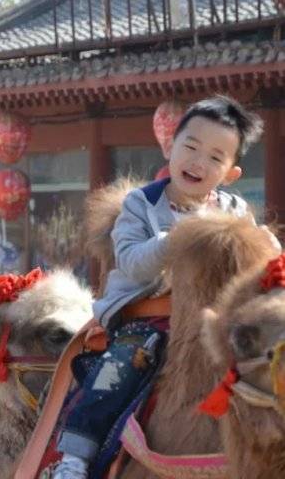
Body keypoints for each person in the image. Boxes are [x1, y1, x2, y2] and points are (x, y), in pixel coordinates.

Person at [53, 95, 274, 479]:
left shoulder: (234, 211)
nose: (198, 162)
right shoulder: (141, 204)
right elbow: (131, 262)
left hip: (209, 319)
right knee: (119, 369)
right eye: (191, 147)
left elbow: (255, 261)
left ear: (231, 173)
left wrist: (268, 249)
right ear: (171, 146)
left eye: (215, 157)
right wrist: (175, 240)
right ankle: (76, 456)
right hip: (148, 317)